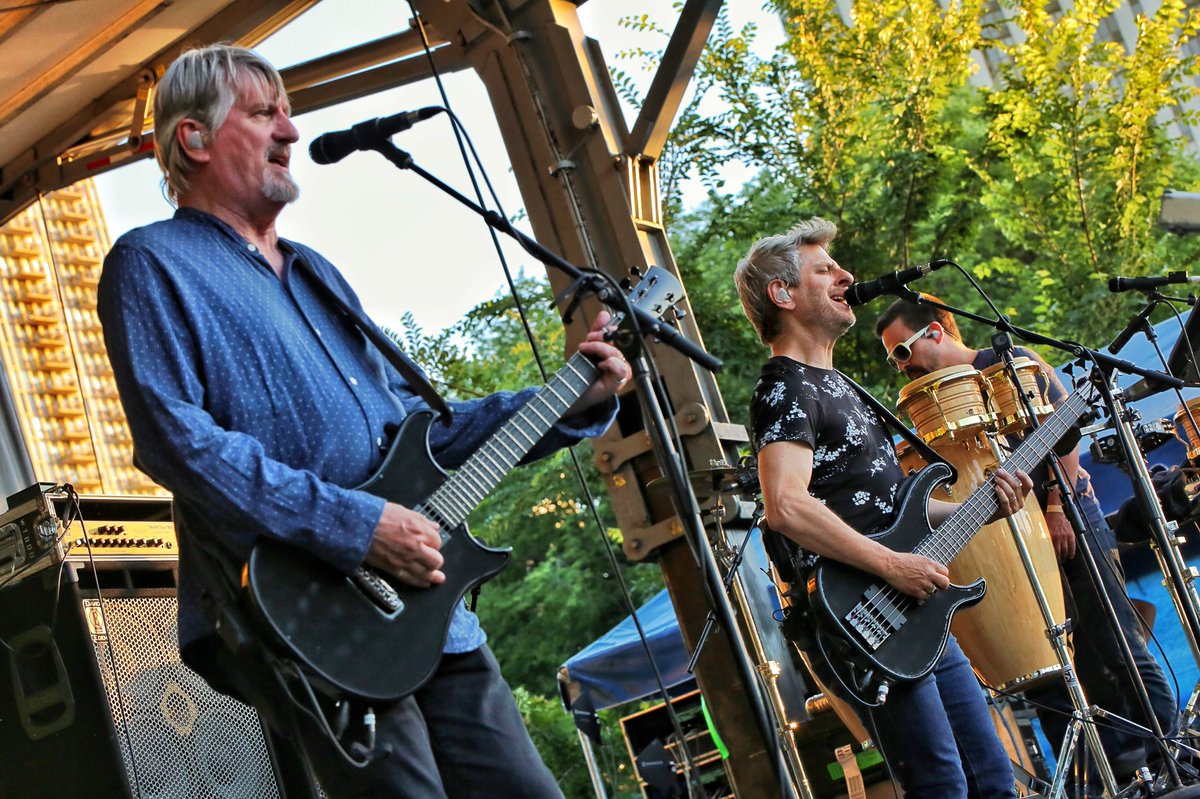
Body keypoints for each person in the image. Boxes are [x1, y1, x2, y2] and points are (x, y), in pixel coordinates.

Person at [96, 44, 631, 799]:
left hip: (431, 613)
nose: (291, 128)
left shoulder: (318, 272)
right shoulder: (151, 263)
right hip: (316, 615)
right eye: (265, 113)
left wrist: (572, 398)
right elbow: (176, 443)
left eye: (287, 110)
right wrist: (357, 525)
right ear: (194, 139)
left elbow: (421, 434)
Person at [734, 217, 1033, 798]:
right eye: (825, 270)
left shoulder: (840, 386)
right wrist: (894, 566)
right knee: (942, 784)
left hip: (908, 613)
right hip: (863, 615)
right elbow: (786, 508)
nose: (846, 276)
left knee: (991, 777)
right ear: (783, 293)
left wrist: (981, 507)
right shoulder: (783, 389)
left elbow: (896, 511)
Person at [875, 296, 1178, 780]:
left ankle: (1173, 760)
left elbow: (1065, 430)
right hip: (1015, 540)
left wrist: (1056, 506)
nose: (899, 368)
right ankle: (1113, 777)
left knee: (1116, 644)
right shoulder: (937, 401)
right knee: (1055, 667)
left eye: (902, 353)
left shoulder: (1008, 361)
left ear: (934, 332)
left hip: (1070, 517)